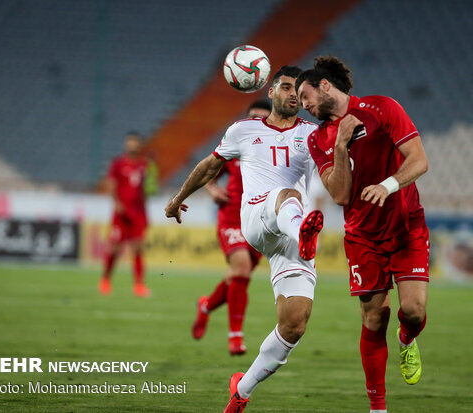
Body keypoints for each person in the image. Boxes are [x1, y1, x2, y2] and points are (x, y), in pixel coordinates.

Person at [165, 66, 323, 413]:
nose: (292, 94)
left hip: (292, 237)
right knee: (285, 194)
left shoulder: (313, 135)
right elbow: (209, 166)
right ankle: (303, 233)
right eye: (285, 87)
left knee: (295, 324)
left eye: (298, 89)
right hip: (258, 218)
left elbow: (334, 178)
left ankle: (242, 390)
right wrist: (177, 199)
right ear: (271, 92)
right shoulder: (244, 130)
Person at [296, 56, 430, 413]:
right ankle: (378, 408)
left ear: (325, 85)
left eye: (305, 95)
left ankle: (407, 338)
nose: (304, 105)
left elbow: (418, 160)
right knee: (374, 317)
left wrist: (388, 185)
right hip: (363, 237)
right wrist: (340, 145)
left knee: (413, 311)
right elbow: (340, 195)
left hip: (406, 227)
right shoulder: (318, 139)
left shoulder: (383, 108)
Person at [192, 100, 271, 356]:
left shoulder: (276, 150)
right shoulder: (234, 145)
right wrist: (212, 190)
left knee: (236, 278)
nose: (256, 121)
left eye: (262, 118)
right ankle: (235, 337)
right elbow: (208, 174)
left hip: (260, 222)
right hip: (232, 218)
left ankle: (205, 306)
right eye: (252, 117)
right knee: (241, 269)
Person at [99, 132, 152, 298]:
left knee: (138, 248)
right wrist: (117, 204)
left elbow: (143, 191)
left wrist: (145, 214)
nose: (132, 146)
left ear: (139, 145)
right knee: (115, 248)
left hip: (137, 213)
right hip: (121, 213)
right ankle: (106, 280)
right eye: (129, 143)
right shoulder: (118, 164)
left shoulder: (144, 165)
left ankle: (138, 285)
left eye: (135, 143)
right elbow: (111, 185)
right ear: (126, 145)